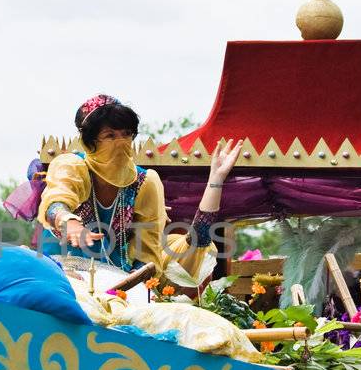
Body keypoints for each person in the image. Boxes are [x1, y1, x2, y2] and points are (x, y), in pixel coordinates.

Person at [37, 94, 242, 277]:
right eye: (110, 136)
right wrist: (69, 222)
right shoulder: (72, 166)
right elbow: (56, 202)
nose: (121, 142)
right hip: (60, 272)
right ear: (90, 142)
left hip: (115, 279)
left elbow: (148, 252)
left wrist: (132, 285)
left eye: (126, 134)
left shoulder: (145, 182)